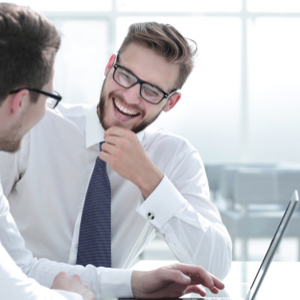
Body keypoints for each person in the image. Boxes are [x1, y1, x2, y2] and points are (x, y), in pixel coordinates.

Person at [0, 2, 225, 300]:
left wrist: (151, 181)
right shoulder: (31, 125)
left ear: (170, 102)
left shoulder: (174, 157)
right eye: (126, 76)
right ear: (110, 66)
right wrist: (131, 282)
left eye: (152, 91)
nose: (130, 97)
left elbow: (215, 266)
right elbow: (11, 266)